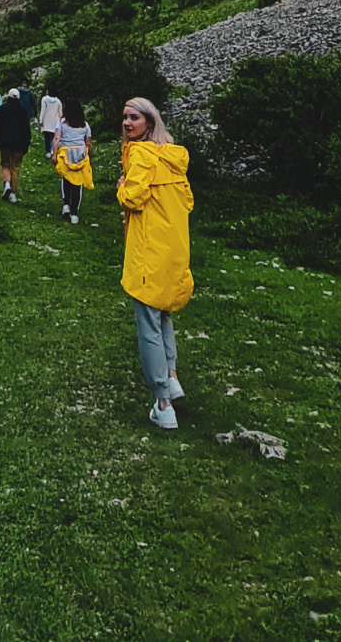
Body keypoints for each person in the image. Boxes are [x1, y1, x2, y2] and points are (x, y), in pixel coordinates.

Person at [117, 96, 194, 432]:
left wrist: (120, 188)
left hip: (148, 249)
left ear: (149, 122)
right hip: (173, 248)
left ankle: (163, 403)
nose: (127, 123)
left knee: (147, 321)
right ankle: (172, 377)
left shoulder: (140, 154)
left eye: (134, 118)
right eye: (125, 118)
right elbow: (187, 202)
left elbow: (133, 197)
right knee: (163, 316)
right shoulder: (173, 156)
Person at [51, 94, 93, 224]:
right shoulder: (85, 125)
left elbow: (57, 138)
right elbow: (88, 143)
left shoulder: (62, 123)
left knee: (66, 178)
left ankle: (65, 205)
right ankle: (74, 213)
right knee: (78, 183)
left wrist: (54, 153)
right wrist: (90, 156)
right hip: (80, 154)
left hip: (65, 154)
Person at [0, 90, 30, 203]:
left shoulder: (2, 109)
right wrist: (26, 145)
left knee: (5, 164)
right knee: (15, 167)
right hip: (18, 144)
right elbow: (26, 131)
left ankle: (7, 184)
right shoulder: (22, 112)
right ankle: (12, 193)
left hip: (5, 142)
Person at [38, 85, 62, 160]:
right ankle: (53, 151)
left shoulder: (44, 99)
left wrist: (41, 119)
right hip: (55, 122)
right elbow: (60, 113)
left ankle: (48, 152)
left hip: (46, 121)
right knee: (53, 137)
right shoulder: (58, 101)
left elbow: (43, 110)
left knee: (46, 138)